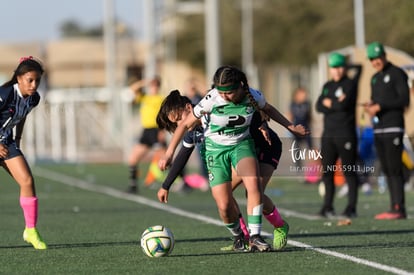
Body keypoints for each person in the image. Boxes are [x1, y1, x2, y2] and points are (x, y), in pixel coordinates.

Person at [158, 66, 307, 252]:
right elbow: (183, 155)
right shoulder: (203, 115)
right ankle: (241, 236)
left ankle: (268, 230)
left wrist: (266, 125)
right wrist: (166, 183)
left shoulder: (243, 98)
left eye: (177, 119)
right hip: (228, 151)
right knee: (225, 199)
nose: (178, 125)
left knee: (253, 189)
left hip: (263, 147)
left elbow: (257, 112)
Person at [0, 56, 47, 249]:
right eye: (30, 80)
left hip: (6, 142)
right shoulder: (5, 94)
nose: (34, 84)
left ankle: (30, 231)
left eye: (37, 80)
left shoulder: (34, 98)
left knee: (27, 181)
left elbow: (22, 116)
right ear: (19, 78)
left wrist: (17, 139)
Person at [363, 42, 410, 219]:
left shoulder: (397, 73)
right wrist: (371, 107)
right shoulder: (374, 78)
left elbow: (404, 100)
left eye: (378, 57)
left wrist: (380, 106)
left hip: (393, 127)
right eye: (373, 58)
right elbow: (376, 101)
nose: (376, 61)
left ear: (384, 55)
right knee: (387, 169)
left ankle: (399, 208)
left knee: (395, 168)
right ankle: (394, 207)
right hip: (379, 129)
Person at [315, 52, 362, 218]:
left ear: (345, 68)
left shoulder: (350, 84)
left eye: (340, 67)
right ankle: (327, 206)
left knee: (349, 170)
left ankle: (351, 207)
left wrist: (330, 103)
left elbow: (343, 106)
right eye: (334, 67)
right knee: (327, 172)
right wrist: (333, 103)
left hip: (346, 133)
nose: (337, 70)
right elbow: (318, 106)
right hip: (328, 134)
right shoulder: (327, 85)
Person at [126, 76, 167, 193]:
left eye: (155, 85)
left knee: (164, 158)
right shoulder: (144, 97)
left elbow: (164, 117)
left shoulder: (161, 99)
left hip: (156, 130)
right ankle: (133, 185)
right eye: (152, 85)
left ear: (158, 86)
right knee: (133, 158)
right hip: (146, 132)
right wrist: (145, 82)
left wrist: (162, 131)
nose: (153, 87)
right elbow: (132, 89)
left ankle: (176, 181)